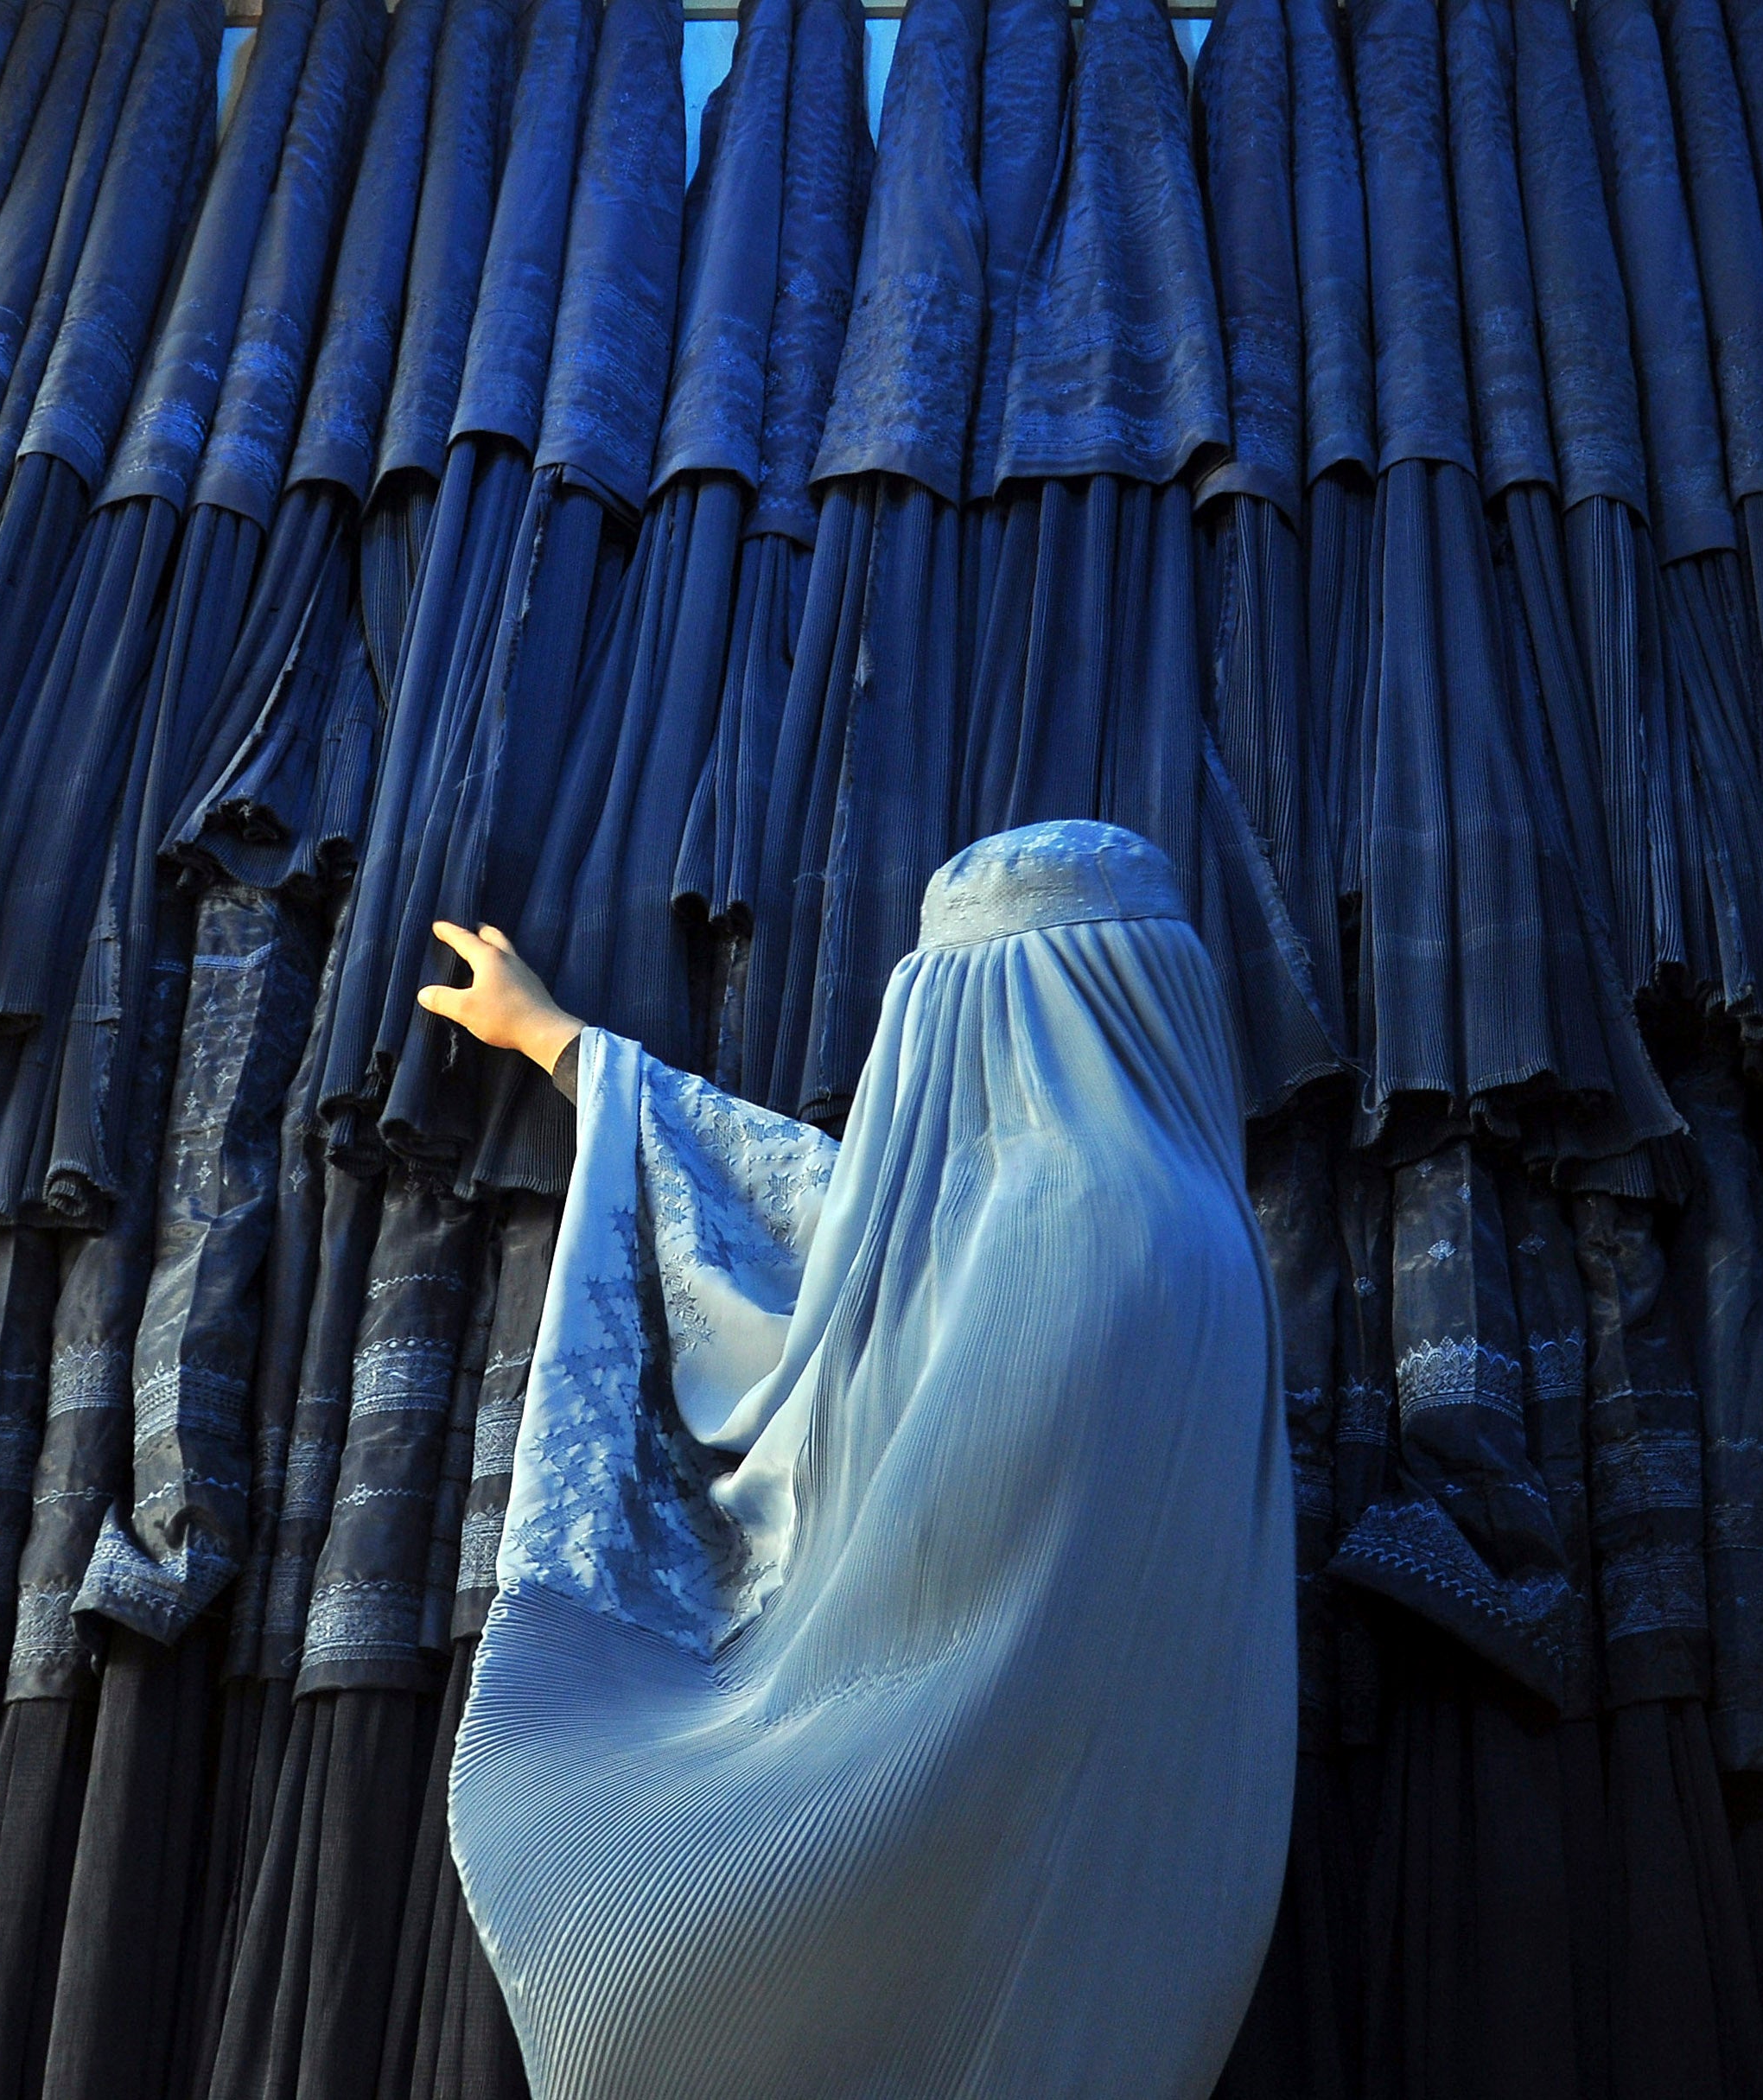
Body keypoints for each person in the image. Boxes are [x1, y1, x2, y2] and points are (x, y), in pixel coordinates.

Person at [420, 819, 1299, 2097]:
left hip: (911, 1883)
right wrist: (571, 1048)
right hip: (1145, 1923)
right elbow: (871, 1254)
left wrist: (569, 1050)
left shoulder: (1058, 1229)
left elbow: (848, 1340)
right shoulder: (1211, 1243)